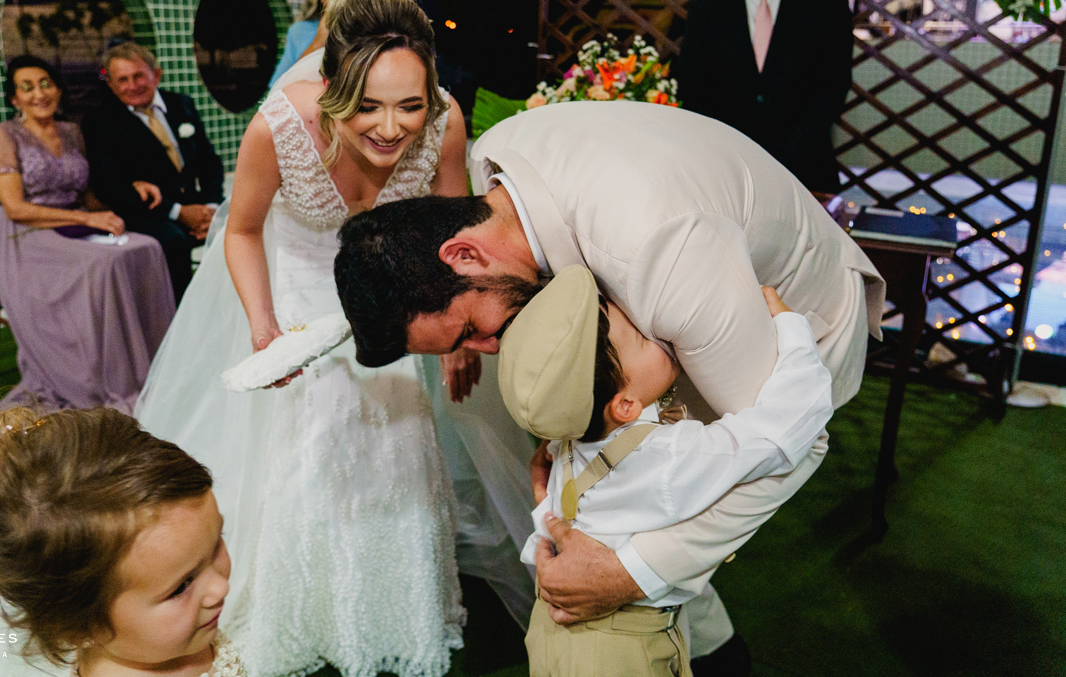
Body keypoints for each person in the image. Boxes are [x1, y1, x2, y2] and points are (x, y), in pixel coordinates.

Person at [335, 99, 885, 671]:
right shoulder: (497, 166)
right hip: (680, 314)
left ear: (464, 253)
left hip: (793, 325)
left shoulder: (662, 253)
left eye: (471, 330)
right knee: (635, 492)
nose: (490, 349)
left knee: (682, 488)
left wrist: (630, 574)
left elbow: (795, 441)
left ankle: (717, 657)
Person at [135, 0, 534, 677]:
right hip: (301, 292)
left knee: (398, 441)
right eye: (366, 107)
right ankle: (306, 609)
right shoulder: (277, 127)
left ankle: (395, 611)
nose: (391, 128)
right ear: (332, 86)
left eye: (409, 105)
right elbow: (241, 231)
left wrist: (456, 334)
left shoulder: (444, 123)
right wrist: (264, 327)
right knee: (312, 447)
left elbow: (452, 229)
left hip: (395, 302)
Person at [498, 269, 833, 677]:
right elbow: (786, 426)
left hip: (552, 633)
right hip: (623, 656)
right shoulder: (664, 456)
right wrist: (790, 326)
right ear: (624, 405)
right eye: (642, 339)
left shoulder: (567, 437)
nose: (655, 333)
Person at [0, 406, 247, 677]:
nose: (220, 588)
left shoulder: (161, 642)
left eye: (216, 543)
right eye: (181, 587)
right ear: (78, 628)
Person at [0, 56, 175, 418]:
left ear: (58, 89)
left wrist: (128, 188)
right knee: (107, 262)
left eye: (46, 84)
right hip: (27, 236)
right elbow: (16, 208)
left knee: (147, 247)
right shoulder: (2, 135)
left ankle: (158, 366)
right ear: (14, 98)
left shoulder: (71, 131)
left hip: (72, 222)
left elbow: (87, 194)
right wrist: (88, 218)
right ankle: (111, 374)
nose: (39, 94)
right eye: (27, 87)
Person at [675, 0, 853, 195]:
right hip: (728, 174)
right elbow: (693, 91)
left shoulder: (826, 0)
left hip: (806, 172)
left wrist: (781, 159)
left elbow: (832, 87)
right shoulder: (707, 9)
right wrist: (737, 157)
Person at [82, 41, 226, 301]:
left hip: (193, 203)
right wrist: (179, 212)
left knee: (241, 221)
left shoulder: (182, 104)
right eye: (122, 80)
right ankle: (181, 312)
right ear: (111, 86)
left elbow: (209, 162)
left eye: (138, 76)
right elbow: (111, 188)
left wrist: (211, 209)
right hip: (144, 211)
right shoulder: (101, 122)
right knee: (173, 239)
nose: (132, 85)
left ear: (156, 75)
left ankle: (230, 303)